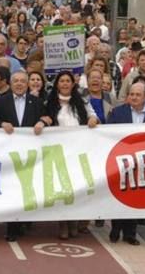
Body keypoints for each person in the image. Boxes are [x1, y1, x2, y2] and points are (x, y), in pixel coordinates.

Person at [0, 70, 48, 242]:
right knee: (12, 190)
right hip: (8, 155)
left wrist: (43, 122)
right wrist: (1, 123)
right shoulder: (0, 102)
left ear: (27, 84)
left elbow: (48, 117)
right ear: (10, 83)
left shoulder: (37, 102)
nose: (19, 84)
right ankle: (12, 227)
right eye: (15, 81)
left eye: (22, 81)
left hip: (30, 154)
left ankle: (25, 222)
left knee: (28, 188)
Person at [45, 71, 98, 239]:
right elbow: (44, 120)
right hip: (58, 152)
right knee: (62, 189)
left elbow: (93, 115)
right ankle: (63, 224)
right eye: (62, 81)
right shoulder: (50, 103)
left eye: (68, 81)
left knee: (76, 189)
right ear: (57, 84)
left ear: (73, 84)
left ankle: (74, 222)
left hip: (78, 152)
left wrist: (92, 120)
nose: (65, 84)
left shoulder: (81, 101)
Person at [107, 82, 145, 246]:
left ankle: (130, 233)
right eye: (132, 94)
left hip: (142, 162)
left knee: (135, 197)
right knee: (119, 195)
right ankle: (115, 229)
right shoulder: (117, 112)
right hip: (120, 160)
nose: (134, 97)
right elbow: (107, 134)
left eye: (138, 95)